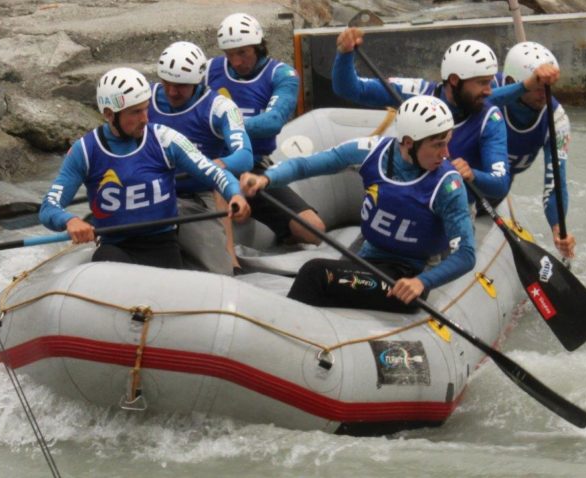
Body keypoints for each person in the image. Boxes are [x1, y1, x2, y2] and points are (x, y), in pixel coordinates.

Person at [242, 95, 475, 312]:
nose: (446, 154)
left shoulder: (448, 185)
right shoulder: (373, 152)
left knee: (315, 273)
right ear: (408, 143)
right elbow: (306, 165)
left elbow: (466, 254)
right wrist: (266, 178)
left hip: (406, 277)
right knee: (327, 279)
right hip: (367, 257)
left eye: (447, 142)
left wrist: (422, 282)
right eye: (437, 145)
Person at [40, 67, 250, 269]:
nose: (145, 119)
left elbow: (214, 173)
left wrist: (235, 194)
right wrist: (70, 220)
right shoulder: (84, 151)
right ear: (109, 114)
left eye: (146, 108)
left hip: (163, 246)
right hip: (116, 248)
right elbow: (49, 207)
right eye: (136, 112)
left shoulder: (165, 139)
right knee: (104, 260)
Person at [332, 28, 510, 202]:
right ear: (455, 80)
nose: (489, 91)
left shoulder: (490, 119)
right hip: (406, 199)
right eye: (482, 83)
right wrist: (345, 54)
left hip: (452, 209)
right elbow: (350, 89)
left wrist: (472, 175)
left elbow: (501, 184)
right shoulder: (418, 91)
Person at [205, 12, 326, 247]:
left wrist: (227, 126)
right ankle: (231, 265)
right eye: (230, 55)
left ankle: (279, 235)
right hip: (213, 165)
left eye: (243, 52)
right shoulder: (210, 70)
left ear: (259, 47)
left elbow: (273, 121)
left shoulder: (281, 75)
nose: (236, 62)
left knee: (315, 230)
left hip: (252, 169)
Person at [149, 41, 254, 274]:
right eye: (167, 84)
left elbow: (245, 156)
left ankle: (225, 263)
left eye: (181, 86)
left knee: (221, 274)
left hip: (198, 196)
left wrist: (216, 165)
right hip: (151, 192)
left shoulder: (220, 107)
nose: (172, 92)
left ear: (197, 83)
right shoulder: (144, 98)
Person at [489, 41, 576, 258]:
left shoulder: (557, 120)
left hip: (491, 193)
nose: (544, 95)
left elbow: (555, 183)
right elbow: (462, 104)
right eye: (537, 87)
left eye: (547, 88)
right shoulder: (487, 88)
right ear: (513, 82)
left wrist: (558, 228)